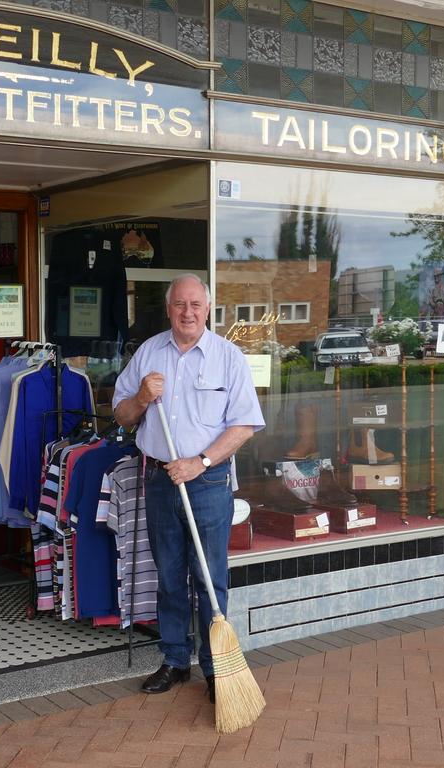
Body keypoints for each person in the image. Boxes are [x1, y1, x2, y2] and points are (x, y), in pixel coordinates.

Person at [112, 274, 264, 703]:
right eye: (180, 304)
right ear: (169, 308)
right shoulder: (147, 354)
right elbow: (122, 415)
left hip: (208, 480)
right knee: (169, 576)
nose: (188, 312)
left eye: (196, 304)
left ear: (208, 308)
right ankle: (175, 661)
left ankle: (217, 670)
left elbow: (245, 425)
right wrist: (141, 397)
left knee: (209, 577)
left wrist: (199, 463)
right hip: (160, 479)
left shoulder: (227, 357)